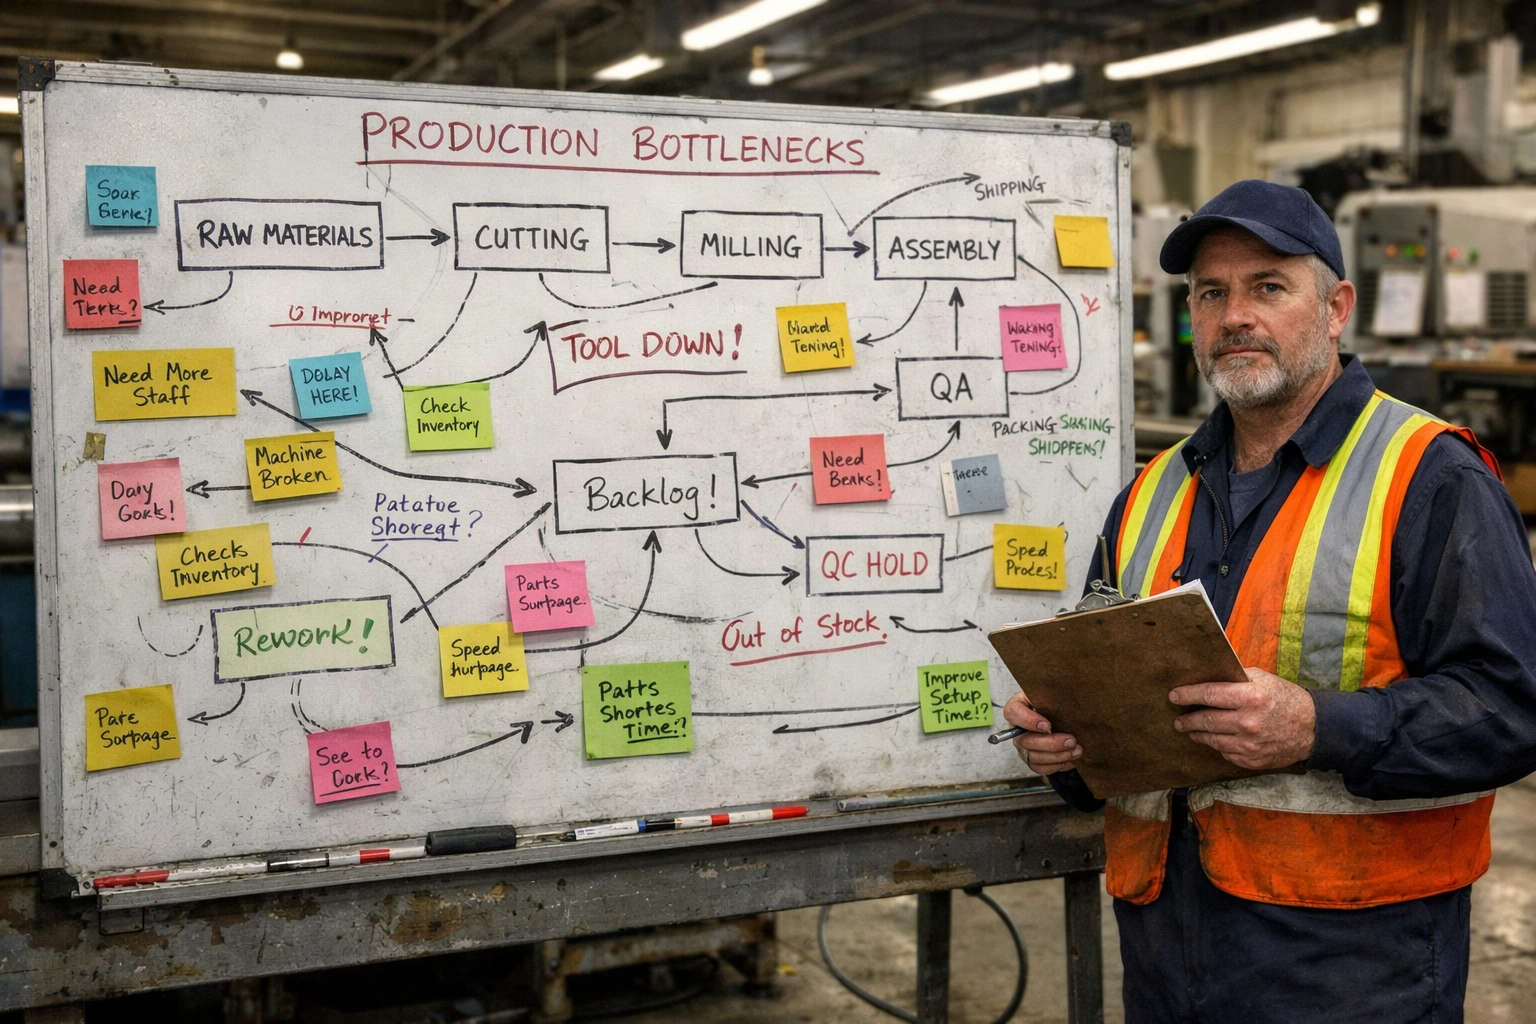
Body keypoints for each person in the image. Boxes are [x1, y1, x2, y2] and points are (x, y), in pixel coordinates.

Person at [1002, 179, 1536, 1023]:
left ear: (1336, 309)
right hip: (1166, 952)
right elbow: (1104, 698)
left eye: (1268, 287)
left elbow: (1510, 712)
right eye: (1211, 293)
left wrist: (1318, 727)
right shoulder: (1150, 492)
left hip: (1353, 962)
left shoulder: (1431, 478)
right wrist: (1065, 745)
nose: (1235, 315)